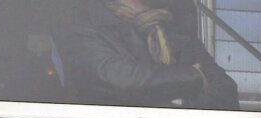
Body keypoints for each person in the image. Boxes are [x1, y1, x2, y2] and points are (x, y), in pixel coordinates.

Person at [57, 0, 238, 110]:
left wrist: (174, 105)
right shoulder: (85, 27)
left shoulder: (177, 31)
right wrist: (195, 77)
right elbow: (118, 82)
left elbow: (226, 91)